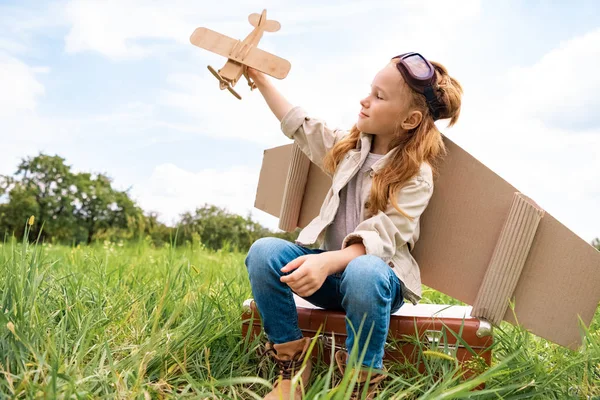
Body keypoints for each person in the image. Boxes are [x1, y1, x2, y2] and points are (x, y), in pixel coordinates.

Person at [244, 53, 463, 400]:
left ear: (410, 120)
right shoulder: (347, 148)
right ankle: (292, 367)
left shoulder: (416, 175)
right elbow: (300, 124)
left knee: (364, 270)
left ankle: (358, 385)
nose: (365, 100)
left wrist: (326, 262)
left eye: (379, 96)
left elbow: (382, 236)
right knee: (264, 253)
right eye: (369, 90)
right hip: (330, 277)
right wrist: (258, 77)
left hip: (376, 284)